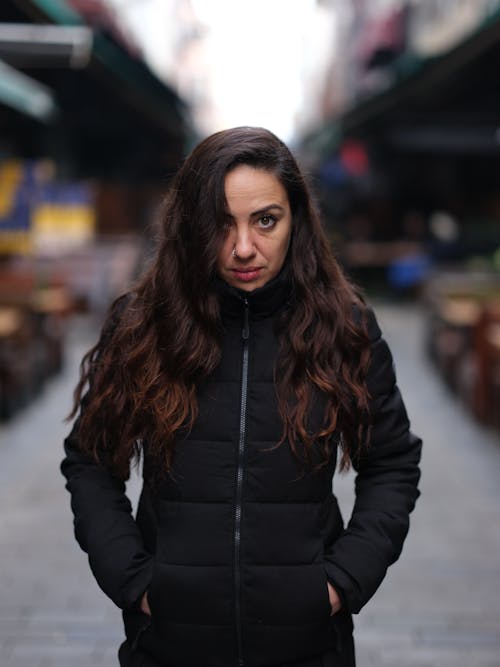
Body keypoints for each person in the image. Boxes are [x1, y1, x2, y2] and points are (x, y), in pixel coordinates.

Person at [61, 127, 421, 667]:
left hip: (306, 646)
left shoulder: (344, 329)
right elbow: (90, 461)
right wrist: (134, 580)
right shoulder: (142, 325)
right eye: (221, 224)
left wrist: (342, 582)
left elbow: (391, 463)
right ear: (190, 226)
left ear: (295, 221)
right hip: (168, 646)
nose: (244, 247)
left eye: (265, 220)